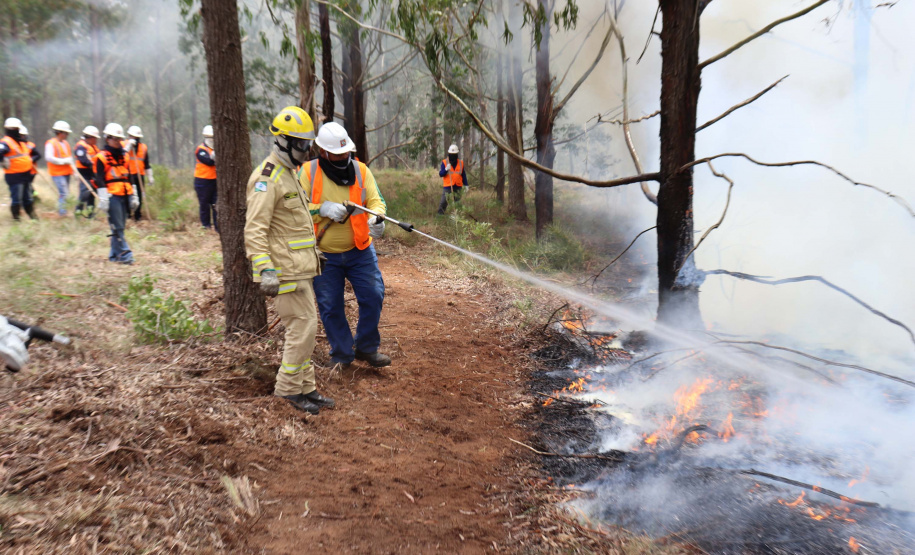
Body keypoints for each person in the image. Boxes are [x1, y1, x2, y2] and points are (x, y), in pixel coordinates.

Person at [244, 106, 332, 415]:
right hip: (283, 271)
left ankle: (305, 387)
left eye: (308, 145)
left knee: (308, 327)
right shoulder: (266, 179)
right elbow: (254, 229)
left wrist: (324, 209)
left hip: (301, 268)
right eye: (301, 145)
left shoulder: (289, 175)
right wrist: (265, 269)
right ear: (282, 142)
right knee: (302, 328)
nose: (306, 152)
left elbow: (301, 214)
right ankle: (286, 390)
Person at [300, 122, 390, 371]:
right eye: (337, 153)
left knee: (373, 295)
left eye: (345, 152)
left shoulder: (361, 170)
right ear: (323, 152)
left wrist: (377, 218)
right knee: (330, 305)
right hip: (323, 254)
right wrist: (322, 209)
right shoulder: (307, 173)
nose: (342, 157)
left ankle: (366, 347)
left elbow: (376, 201)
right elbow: (296, 209)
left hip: (360, 250)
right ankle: (341, 353)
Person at [94, 123, 138, 264]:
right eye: (115, 139)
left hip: (125, 193)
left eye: (120, 139)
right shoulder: (101, 157)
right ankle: (125, 255)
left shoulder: (124, 156)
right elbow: (99, 179)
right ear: (108, 138)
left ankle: (114, 256)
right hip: (112, 195)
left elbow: (130, 175)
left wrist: (134, 194)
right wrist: (103, 198)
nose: (118, 142)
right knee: (117, 226)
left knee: (120, 225)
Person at [0, 118, 38, 221]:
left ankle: (34, 219)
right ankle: (17, 220)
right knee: (17, 199)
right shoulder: (6, 142)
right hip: (14, 176)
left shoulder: (21, 142)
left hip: (25, 174)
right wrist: (3, 160)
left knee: (28, 198)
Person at [45, 120, 75, 216]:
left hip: (66, 172)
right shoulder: (51, 143)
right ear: (59, 132)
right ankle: (62, 213)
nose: (67, 135)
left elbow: (69, 158)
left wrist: (74, 171)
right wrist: (63, 161)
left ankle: (63, 211)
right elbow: (48, 157)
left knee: (65, 193)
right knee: (64, 193)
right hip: (57, 173)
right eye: (65, 133)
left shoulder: (66, 143)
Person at [125, 125, 153, 221]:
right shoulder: (124, 144)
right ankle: (127, 214)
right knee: (128, 194)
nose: (133, 139)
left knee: (140, 195)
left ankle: (137, 215)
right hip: (127, 174)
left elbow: (146, 163)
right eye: (131, 136)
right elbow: (121, 154)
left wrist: (150, 176)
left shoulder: (143, 147)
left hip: (139, 175)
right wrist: (128, 146)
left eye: (135, 137)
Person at [194, 125, 218, 230]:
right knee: (204, 204)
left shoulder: (217, 149)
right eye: (209, 137)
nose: (211, 140)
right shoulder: (201, 149)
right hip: (202, 181)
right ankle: (206, 225)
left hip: (215, 181)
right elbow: (208, 162)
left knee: (216, 204)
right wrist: (214, 156)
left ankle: (218, 226)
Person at [74, 126, 101, 217]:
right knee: (85, 192)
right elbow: (82, 159)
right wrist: (91, 163)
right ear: (90, 137)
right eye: (95, 138)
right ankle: (78, 211)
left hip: (92, 172)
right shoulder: (81, 146)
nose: (96, 140)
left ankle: (90, 213)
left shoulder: (93, 147)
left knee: (92, 194)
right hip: (84, 173)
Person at [437, 143, 469, 215]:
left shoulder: (461, 163)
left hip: (458, 186)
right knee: (443, 202)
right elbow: (441, 174)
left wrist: (466, 185)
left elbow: (463, 175)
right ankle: (440, 216)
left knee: (457, 204)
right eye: (451, 153)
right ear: (449, 153)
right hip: (448, 186)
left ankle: (457, 218)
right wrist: (445, 169)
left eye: (454, 154)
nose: (453, 155)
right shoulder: (445, 162)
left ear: (457, 154)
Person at [19, 126, 41, 220]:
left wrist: (31, 160)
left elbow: (38, 155)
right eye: (21, 135)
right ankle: (33, 196)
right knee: (26, 186)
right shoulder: (17, 145)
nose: (22, 137)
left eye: (23, 135)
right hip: (21, 171)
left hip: (31, 170)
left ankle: (32, 197)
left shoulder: (30, 145)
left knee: (27, 186)